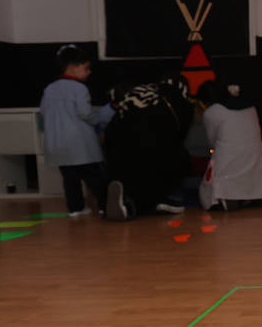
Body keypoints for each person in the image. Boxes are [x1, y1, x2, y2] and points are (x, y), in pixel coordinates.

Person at [103, 75, 193, 220]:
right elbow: (177, 137)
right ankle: (163, 200)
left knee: (131, 176)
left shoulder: (138, 94)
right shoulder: (177, 102)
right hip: (155, 152)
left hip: (120, 149)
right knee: (174, 162)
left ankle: (124, 201)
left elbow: (110, 136)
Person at [39, 45, 113, 217]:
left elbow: (43, 110)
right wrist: (100, 118)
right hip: (79, 143)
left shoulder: (50, 88)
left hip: (57, 144)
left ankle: (75, 208)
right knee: (95, 177)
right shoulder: (79, 88)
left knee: (69, 178)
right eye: (86, 68)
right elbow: (86, 114)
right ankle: (104, 206)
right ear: (73, 67)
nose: (89, 72)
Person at [196, 79, 262, 211]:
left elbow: (211, 142)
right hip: (256, 163)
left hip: (228, 162)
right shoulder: (251, 108)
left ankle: (227, 197)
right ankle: (250, 196)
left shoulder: (212, 112)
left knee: (207, 189)